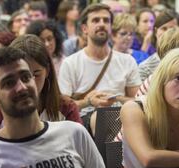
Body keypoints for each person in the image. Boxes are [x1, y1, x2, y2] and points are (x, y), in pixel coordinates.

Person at [58, 3, 141, 137]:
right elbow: (62, 108)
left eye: (106, 20)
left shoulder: (127, 61)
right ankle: (109, 158)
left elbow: (138, 100)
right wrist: (88, 102)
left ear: (110, 27)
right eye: (96, 20)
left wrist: (116, 98)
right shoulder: (70, 63)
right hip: (83, 120)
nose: (102, 24)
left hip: (122, 115)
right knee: (103, 117)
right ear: (84, 28)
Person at [0, 34, 82, 137]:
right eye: (12, 81)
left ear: (47, 71)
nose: (27, 85)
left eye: (35, 75)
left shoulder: (66, 108)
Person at [138, 9, 179, 81]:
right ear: (156, 32)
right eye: (164, 28)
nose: (168, 33)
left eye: (172, 29)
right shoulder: (145, 67)